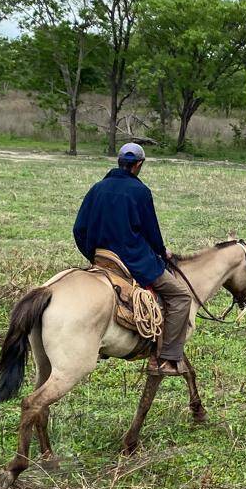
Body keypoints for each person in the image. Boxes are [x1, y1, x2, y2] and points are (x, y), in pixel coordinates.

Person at [73, 143, 192, 376]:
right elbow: (151, 232)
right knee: (180, 296)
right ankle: (166, 358)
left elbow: (79, 229)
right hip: (135, 262)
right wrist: (162, 251)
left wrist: (94, 255)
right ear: (138, 165)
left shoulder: (97, 188)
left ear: (119, 162)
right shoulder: (140, 191)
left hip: (103, 260)